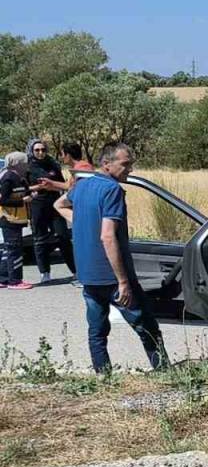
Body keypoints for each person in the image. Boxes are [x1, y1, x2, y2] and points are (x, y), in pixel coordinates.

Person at [54, 143, 168, 374]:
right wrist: (123, 282)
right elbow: (108, 236)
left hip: (88, 277)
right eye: (126, 164)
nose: (130, 170)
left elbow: (59, 204)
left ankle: (104, 378)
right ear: (106, 164)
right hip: (112, 278)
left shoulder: (83, 186)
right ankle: (166, 376)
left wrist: (83, 221)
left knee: (96, 332)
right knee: (147, 329)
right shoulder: (112, 190)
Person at [26, 139, 75, 284]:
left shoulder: (53, 164)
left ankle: (75, 271)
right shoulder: (28, 166)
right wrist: (40, 187)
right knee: (40, 239)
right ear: (32, 151)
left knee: (63, 237)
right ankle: (44, 272)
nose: (40, 153)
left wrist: (51, 186)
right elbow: (25, 188)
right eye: (37, 150)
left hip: (54, 203)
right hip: (37, 204)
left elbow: (64, 185)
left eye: (43, 150)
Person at [0, 152, 33, 290]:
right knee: (14, 250)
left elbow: (23, 191)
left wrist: (29, 193)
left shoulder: (19, 177)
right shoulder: (8, 177)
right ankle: (15, 280)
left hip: (17, 219)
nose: (27, 164)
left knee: (9, 249)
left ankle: (3, 278)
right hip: (9, 219)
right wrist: (22, 200)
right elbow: (3, 200)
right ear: (16, 163)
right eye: (24, 162)